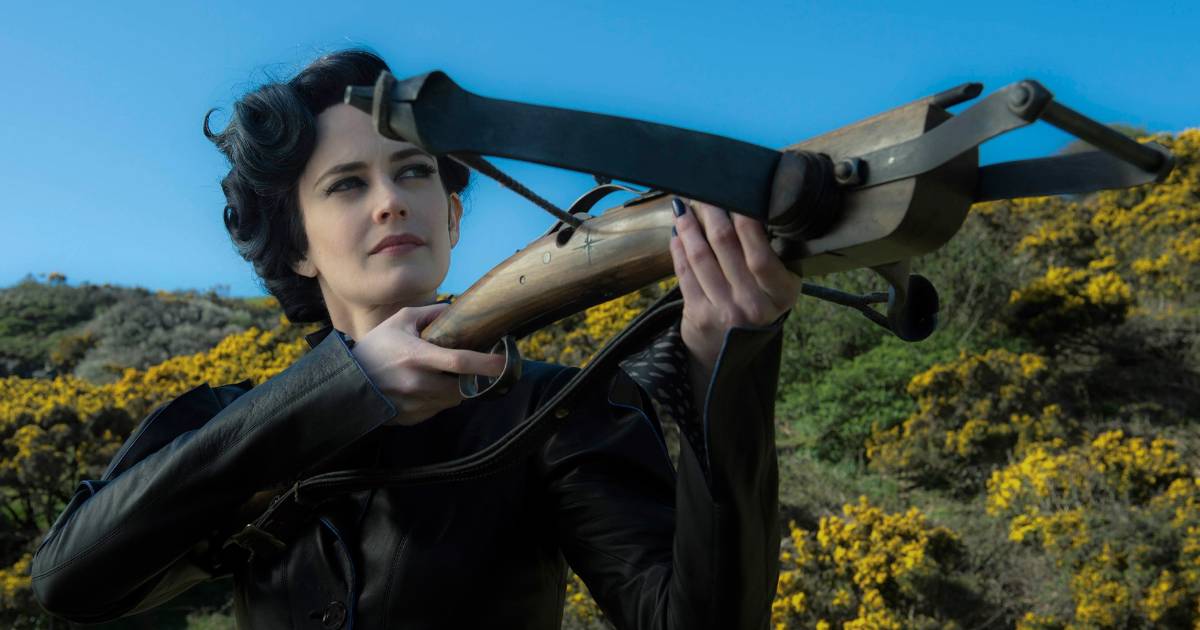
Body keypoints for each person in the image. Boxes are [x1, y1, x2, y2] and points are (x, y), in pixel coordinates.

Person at [30, 49, 799, 629]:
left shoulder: (556, 407)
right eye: (347, 184)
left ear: (453, 218)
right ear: (296, 246)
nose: (391, 202)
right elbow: (68, 580)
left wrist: (727, 370)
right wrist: (346, 390)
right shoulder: (229, 421)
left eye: (413, 172)